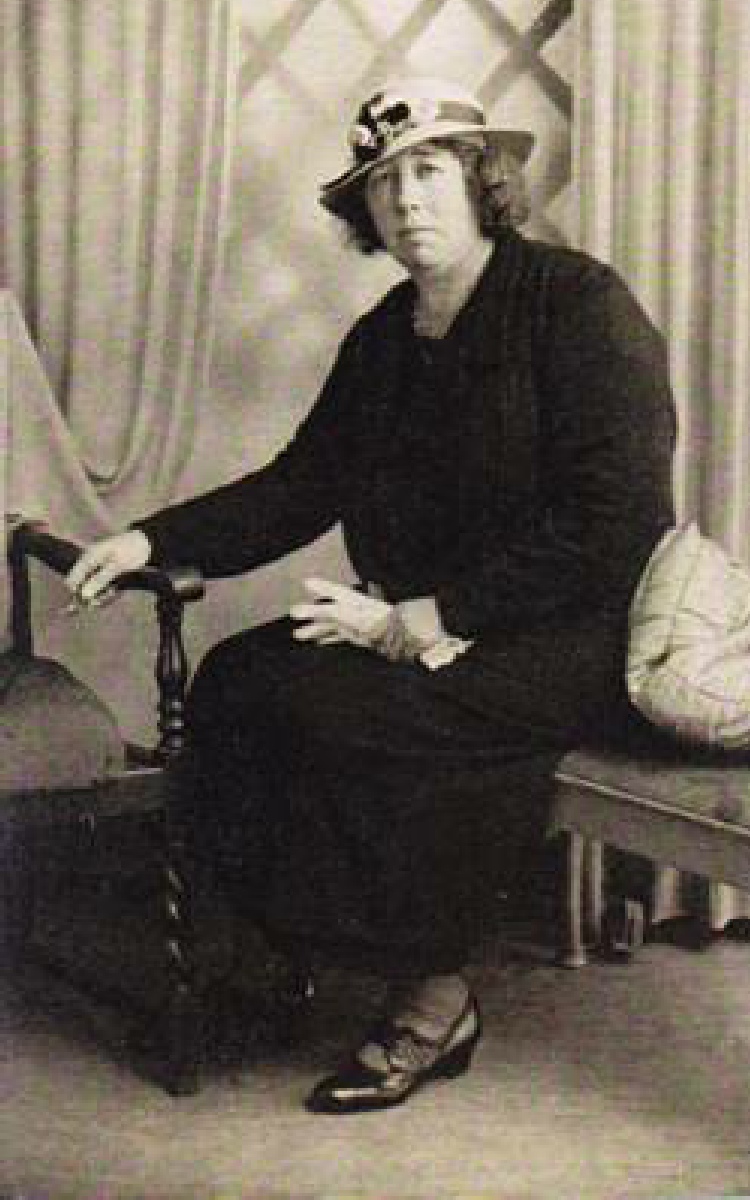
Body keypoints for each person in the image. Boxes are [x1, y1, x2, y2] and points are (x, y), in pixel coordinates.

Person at [67, 75, 676, 1114]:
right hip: (419, 621)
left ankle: (434, 1000)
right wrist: (149, 538)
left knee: (339, 708)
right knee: (239, 680)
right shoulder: (387, 337)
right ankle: (283, 961)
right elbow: (302, 484)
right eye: (382, 184)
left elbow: (615, 521)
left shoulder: (578, 307)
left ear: (484, 180)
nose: (405, 200)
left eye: (428, 170)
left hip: (566, 635)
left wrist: (435, 617)